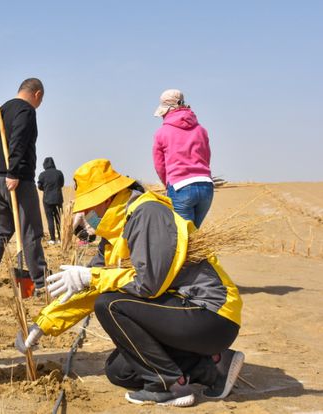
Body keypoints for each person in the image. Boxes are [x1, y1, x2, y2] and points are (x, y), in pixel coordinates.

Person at [16, 159, 244, 407]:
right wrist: (43, 324)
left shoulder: (148, 213)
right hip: (178, 315)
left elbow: (149, 284)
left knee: (110, 305)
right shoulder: (114, 235)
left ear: (106, 198)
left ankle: (170, 387)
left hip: (210, 315)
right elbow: (91, 287)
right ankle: (213, 367)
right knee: (120, 370)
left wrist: (90, 276)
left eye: (89, 207)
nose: (87, 215)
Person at [0, 78, 48, 290]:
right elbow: (18, 140)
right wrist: (14, 172)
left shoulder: (2, 110)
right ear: (37, 94)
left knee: (2, 230)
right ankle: (41, 281)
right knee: (31, 230)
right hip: (17, 179)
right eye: (41, 99)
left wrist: (4, 172)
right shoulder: (25, 111)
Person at [153, 89, 214, 228]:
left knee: (183, 238)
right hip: (206, 186)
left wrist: (167, 184)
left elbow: (159, 165)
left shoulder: (162, 133)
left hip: (181, 187)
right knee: (193, 235)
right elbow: (206, 156)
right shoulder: (200, 130)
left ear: (166, 110)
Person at [37, 157, 64, 245]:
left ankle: (52, 239)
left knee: (50, 219)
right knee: (59, 219)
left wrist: (45, 189)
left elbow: (39, 186)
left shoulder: (42, 175)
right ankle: (60, 238)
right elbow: (62, 184)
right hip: (58, 199)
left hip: (47, 200)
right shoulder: (59, 173)